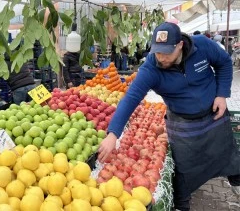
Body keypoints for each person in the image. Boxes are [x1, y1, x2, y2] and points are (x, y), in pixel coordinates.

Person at [98, 22, 240, 211]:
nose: (161, 58)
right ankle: (182, 206)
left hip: (214, 117)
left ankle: (235, 181)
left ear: (180, 45)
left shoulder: (202, 45)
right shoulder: (151, 68)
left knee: (228, 156)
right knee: (185, 173)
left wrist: (222, 94)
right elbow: (131, 98)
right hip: (183, 126)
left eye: (167, 53)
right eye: (158, 52)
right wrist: (113, 133)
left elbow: (224, 62)